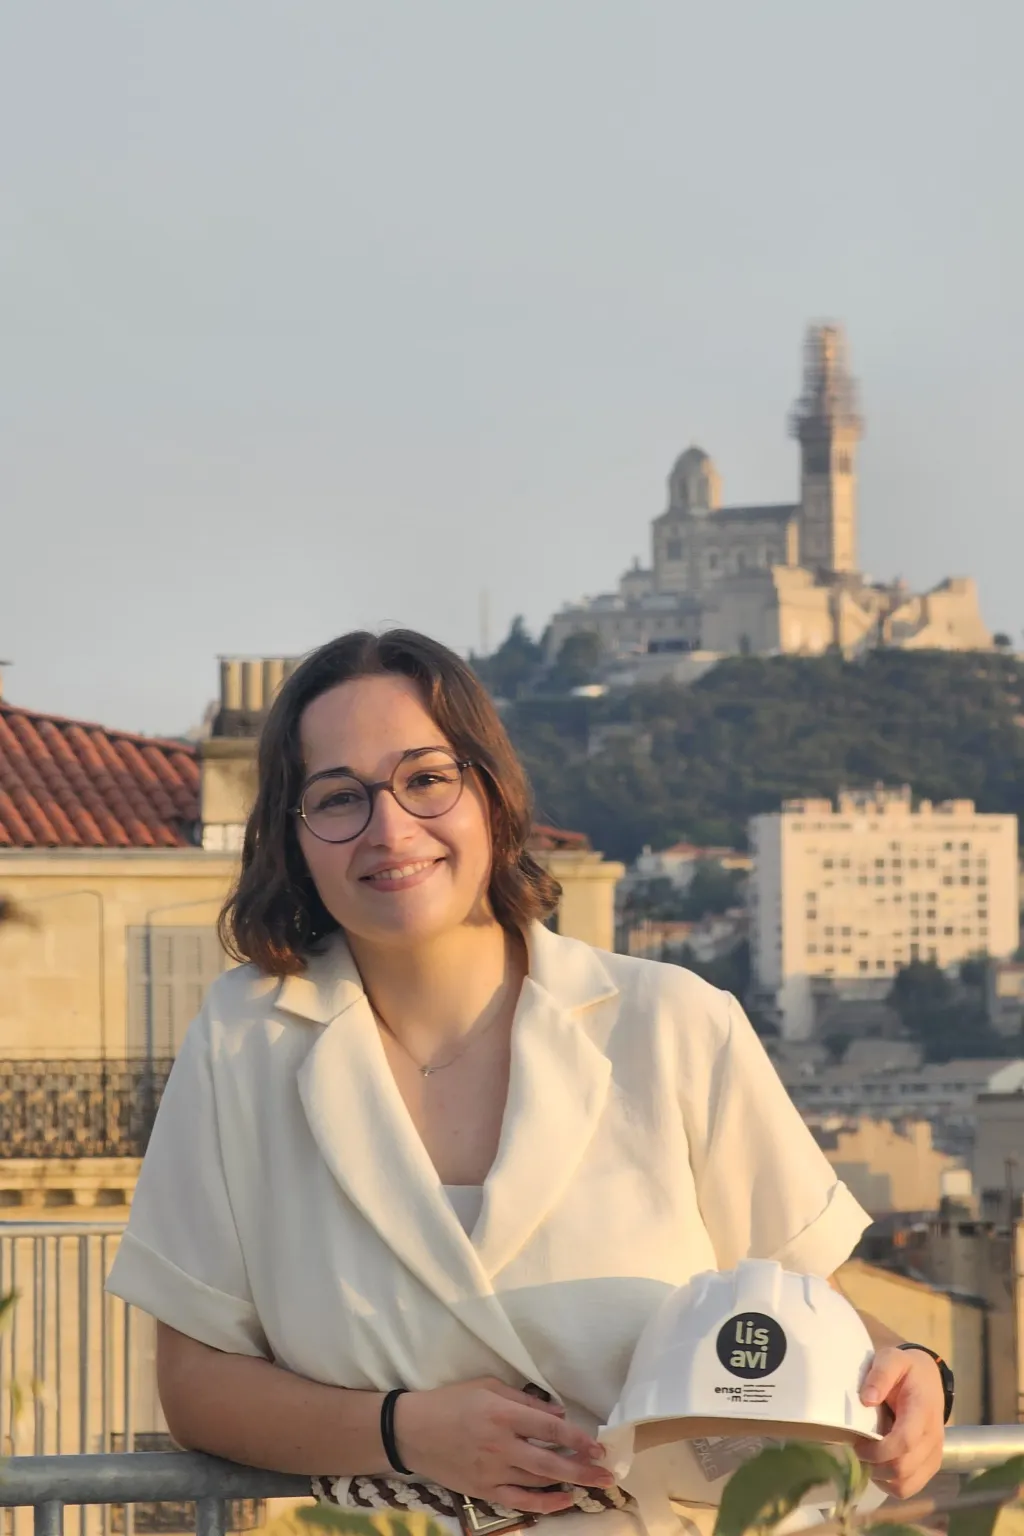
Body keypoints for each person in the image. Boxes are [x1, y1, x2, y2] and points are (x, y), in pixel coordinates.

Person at [106, 629, 946, 1536]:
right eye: (338, 797)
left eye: (426, 778)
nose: (390, 828)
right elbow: (195, 1386)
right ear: (294, 836)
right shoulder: (244, 1043)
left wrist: (913, 1371)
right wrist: (401, 1431)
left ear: (492, 794)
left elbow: (799, 1303)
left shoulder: (671, 1021)